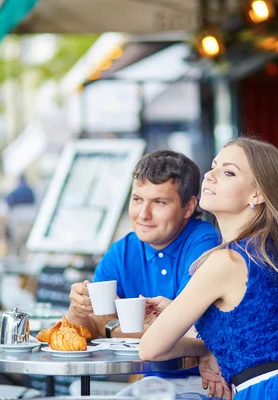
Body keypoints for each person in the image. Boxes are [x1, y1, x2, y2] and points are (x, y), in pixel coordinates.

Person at [139, 138, 278, 400]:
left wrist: (199, 347)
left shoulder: (226, 261)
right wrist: (176, 313)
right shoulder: (272, 251)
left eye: (228, 172)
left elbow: (150, 349)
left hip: (264, 392)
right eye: (213, 167)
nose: (209, 175)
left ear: (258, 194)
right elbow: (249, 331)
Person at [66, 150, 220, 393]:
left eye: (159, 202)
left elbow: (188, 333)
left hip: (200, 382)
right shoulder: (122, 251)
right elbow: (84, 332)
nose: (143, 214)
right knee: (77, 391)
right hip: (148, 382)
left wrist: (110, 327)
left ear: (189, 207)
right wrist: (78, 309)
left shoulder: (203, 243)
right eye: (137, 199)